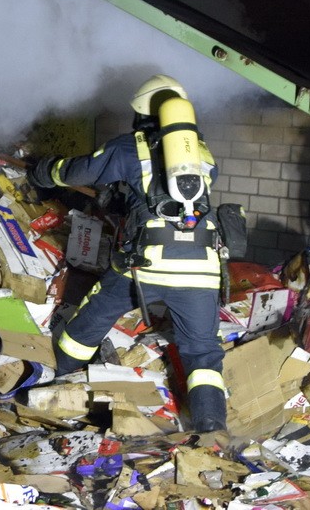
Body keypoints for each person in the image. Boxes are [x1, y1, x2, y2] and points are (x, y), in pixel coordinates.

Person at [27, 74, 227, 432]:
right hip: (201, 268)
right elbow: (164, 200)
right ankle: (212, 430)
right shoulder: (203, 153)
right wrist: (124, 201)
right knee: (203, 353)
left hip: (145, 266)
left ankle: (59, 383)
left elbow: (78, 171)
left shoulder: (129, 146)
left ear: (142, 114)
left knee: (91, 321)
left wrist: (44, 171)